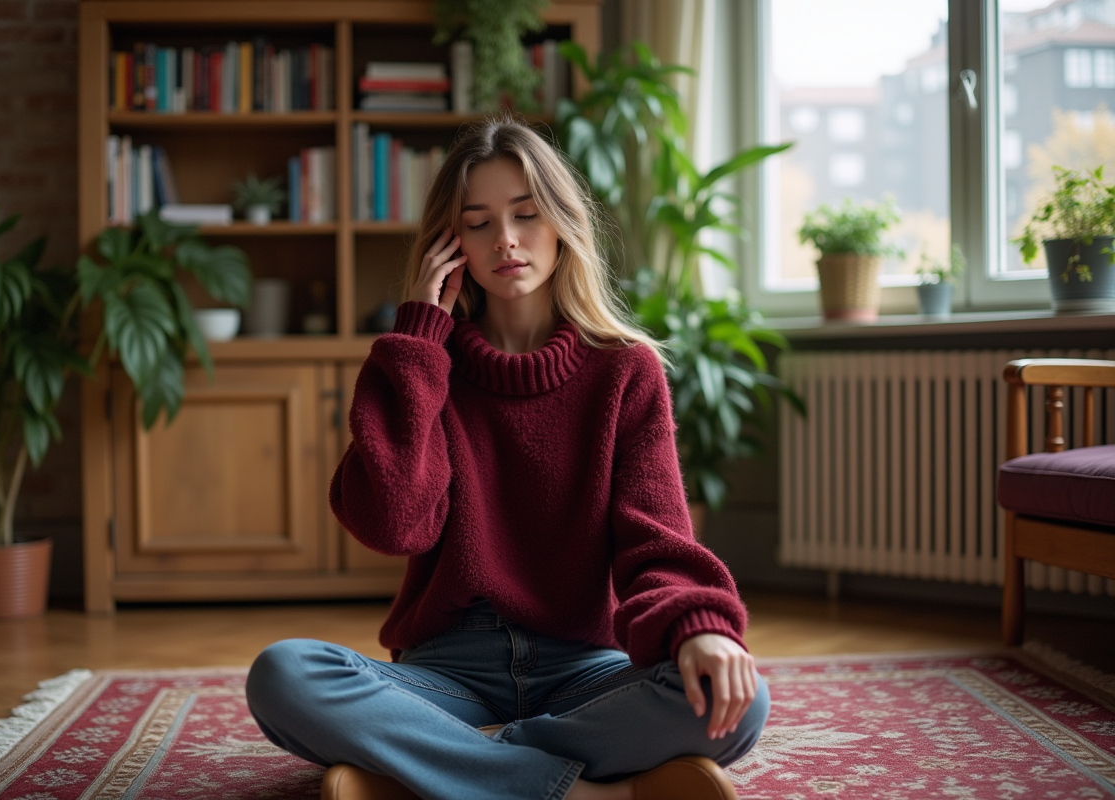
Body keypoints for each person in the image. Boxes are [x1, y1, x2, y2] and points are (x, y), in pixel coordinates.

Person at [246, 117, 769, 800]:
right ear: (449, 241)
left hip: (585, 669)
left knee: (739, 698)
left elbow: (658, 538)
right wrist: (418, 347)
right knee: (282, 675)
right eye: (479, 222)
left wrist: (698, 629)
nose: (507, 241)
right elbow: (393, 524)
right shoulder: (419, 365)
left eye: (526, 214)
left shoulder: (625, 372)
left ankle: (441, 770)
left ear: (562, 223)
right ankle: (589, 792)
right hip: (445, 674)